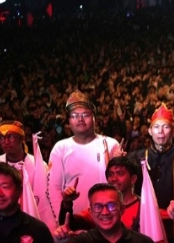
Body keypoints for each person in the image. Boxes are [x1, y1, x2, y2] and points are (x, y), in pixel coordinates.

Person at [47, 90, 123, 221]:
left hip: (107, 218)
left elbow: (120, 185)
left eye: (85, 114)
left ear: (94, 117)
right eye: (74, 115)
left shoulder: (110, 144)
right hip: (74, 220)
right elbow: (53, 188)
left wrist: (123, 164)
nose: (80, 119)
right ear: (69, 121)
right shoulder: (60, 148)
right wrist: (62, 219)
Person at [130, 104, 174, 243]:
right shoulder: (136, 158)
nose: (160, 132)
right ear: (150, 131)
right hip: (145, 225)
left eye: (165, 127)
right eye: (156, 127)